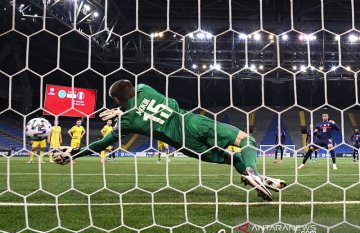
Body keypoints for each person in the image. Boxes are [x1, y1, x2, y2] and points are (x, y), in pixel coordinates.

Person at [55, 80, 287, 201]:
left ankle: (254, 175)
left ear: (116, 100)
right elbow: (136, 95)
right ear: (132, 89)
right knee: (246, 140)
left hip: (187, 146)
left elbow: (101, 144)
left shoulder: (126, 122)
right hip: (193, 122)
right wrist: (122, 109)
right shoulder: (144, 89)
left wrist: (72, 153)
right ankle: (253, 171)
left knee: (230, 158)